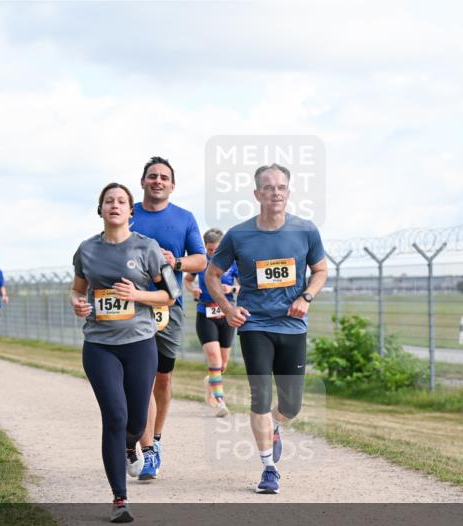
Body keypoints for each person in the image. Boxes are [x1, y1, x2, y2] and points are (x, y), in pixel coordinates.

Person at [206, 163, 328, 494]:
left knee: (291, 406)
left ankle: (275, 424)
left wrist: (307, 296)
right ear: (257, 193)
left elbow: (320, 270)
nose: (276, 192)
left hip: (292, 325)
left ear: (288, 193)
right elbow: (212, 274)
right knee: (260, 395)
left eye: (281, 187)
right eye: (269, 187)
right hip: (254, 325)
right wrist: (229, 309)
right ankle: (268, 468)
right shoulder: (240, 234)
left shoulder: (305, 230)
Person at [72, 182, 175, 522]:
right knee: (114, 417)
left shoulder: (148, 248)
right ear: (100, 209)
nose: (114, 205)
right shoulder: (86, 250)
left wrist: (138, 295)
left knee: (134, 420)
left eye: (121, 201)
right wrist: (78, 304)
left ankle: (131, 445)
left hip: (140, 344)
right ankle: (119, 500)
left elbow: (169, 296)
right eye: (108, 201)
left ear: (131, 211)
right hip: (100, 345)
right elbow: (78, 290)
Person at [128, 156, 206, 479]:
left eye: (164, 177)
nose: (158, 181)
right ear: (143, 182)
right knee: (140, 379)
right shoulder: (128, 213)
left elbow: (201, 260)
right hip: (131, 305)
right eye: (152, 176)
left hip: (168, 305)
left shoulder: (184, 218)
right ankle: (145, 452)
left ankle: (155, 439)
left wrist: (177, 262)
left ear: (172, 185)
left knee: (162, 378)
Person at [185, 228, 239, 417]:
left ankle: (211, 381)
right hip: (205, 313)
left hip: (226, 314)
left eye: (216, 249)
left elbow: (241, 285)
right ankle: (221, 403)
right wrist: (193, 290)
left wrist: (231, 288)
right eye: (209, 250)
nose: (212, 253)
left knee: (222, 364)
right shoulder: (200, 263)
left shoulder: (232, 262)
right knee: (214, 360)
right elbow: (188, 280)